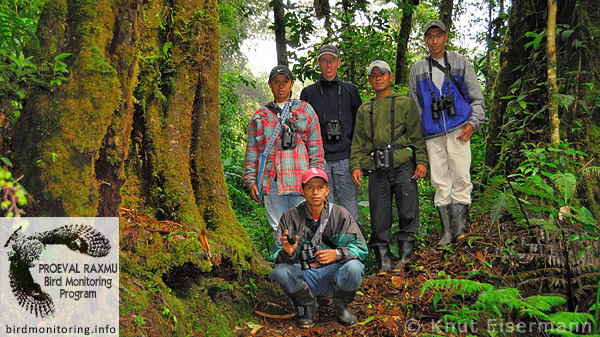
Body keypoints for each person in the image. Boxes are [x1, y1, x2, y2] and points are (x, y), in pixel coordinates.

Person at [408, 20, 486, 246]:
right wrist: (419, 137)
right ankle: (446, 233)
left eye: (438, 36)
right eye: (430, 37)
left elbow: (476, 98)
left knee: (461, 177)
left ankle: (460, 229)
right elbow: (416, 107)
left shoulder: (460, 62)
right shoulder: (418, 69)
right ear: (425, 40)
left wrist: (473, 123)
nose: (434, 41)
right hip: (432, 134)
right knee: (439, 182)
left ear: (445, 37)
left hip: (459, 129)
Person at [350, 60, 428, 273]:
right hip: (376, 167)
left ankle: (405, 256)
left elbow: (416, 135)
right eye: (374, 75)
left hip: (402, 163)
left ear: (390, 77)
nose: (378, 78)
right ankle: (384, 261)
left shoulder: (404, 103)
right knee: (379, 213)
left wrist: (421, 161)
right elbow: (358, 141)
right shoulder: (365, 109)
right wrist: (356, 165)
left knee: (407, 208)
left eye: (382, 74)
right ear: (369, 80)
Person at [270, 167, 367, 327]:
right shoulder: (290, 217)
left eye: (320, 187)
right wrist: (288, 254)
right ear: (302, 190)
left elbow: (360, 248)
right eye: (310, 187)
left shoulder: (340, 214)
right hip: (305, 277)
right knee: (280, 271)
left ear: (327, 191)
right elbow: (275, 255)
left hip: (334, 276)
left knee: (354, 267)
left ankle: (341, 306)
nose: (315, 192)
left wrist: (337, 254)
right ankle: (308, 305)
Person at [244, 65, 325, 233]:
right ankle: (284, 259)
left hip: (301, 181)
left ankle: (305, 259)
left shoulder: (305, 110)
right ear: (270, 84)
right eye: (276, 82)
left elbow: (316, 148)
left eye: (285, 82)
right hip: (273, 183)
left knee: (305, 226)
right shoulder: (261, 116)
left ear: (292, 84)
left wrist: (315, 179)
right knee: (279, 228)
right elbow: (252, 151)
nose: (281, 86)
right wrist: (251, 181)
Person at [300, 44, 363, 222]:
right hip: (319, 162)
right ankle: (325, 249)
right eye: (325, 60)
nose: (329, 65)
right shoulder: (308, 93)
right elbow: (303, 130)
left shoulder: (350, 91)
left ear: (339, 63)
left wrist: (357, 161)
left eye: (332, 60)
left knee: (349, 211)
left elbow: (360, 127)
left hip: (346, 160)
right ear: (318, 63)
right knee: (322, 211)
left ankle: (352, 248)